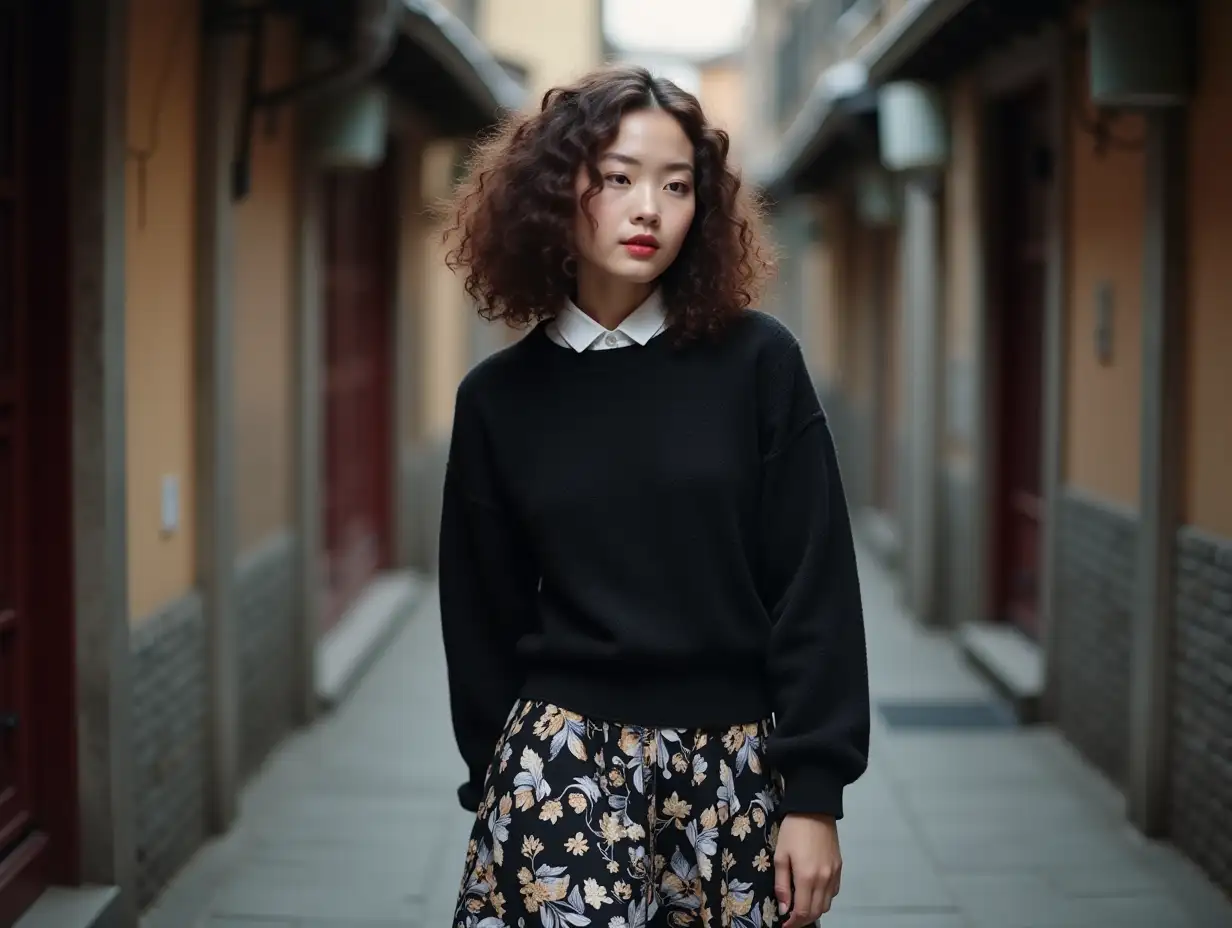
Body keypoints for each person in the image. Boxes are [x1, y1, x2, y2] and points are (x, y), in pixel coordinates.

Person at [437, 65, 870, 928]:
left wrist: (814, 795)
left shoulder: (759, 364)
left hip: (732, 771)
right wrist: (500, 785)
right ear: (560, 192)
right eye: (618, 178)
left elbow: (814, 583)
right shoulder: (498, 399)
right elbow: (479, 616)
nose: (649, 209)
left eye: (677, 186)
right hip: (556, 769)